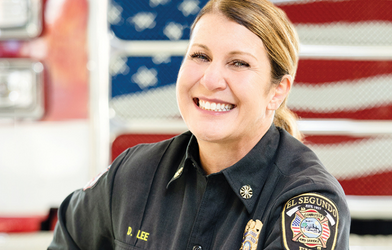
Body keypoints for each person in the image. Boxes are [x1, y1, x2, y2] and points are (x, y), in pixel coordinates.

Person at [49, 0, 350, 249]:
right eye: (200, 56)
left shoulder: (306, 205)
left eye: (239, 63)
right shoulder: (133, 174)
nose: (210, 80)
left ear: (277, 91)